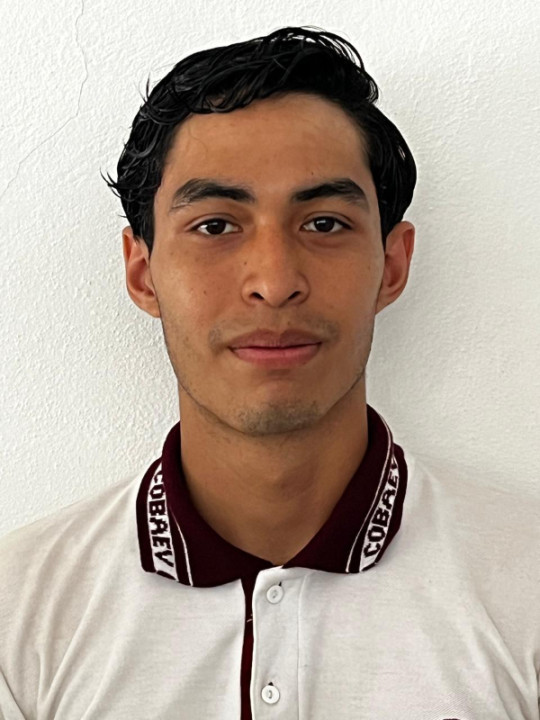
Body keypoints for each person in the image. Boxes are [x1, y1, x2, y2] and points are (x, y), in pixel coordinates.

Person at [1, 25, 539, 720]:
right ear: (142, 272)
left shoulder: (525, 588)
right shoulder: (20, 615)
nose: (275, 282)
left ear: (392, 265)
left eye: (324, 224)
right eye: (216, 226)